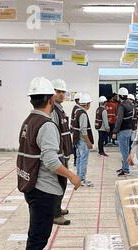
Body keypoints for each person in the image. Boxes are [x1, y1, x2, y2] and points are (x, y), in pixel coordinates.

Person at [17, 77, 81, 250]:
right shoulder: (46, 125)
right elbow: (51, 161)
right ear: (51, 99)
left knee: (40, 233)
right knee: (37, 235)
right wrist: (72, 175)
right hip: (43, 189)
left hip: (32, 185)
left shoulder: (29, 120)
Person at [51, 79, 72, 226]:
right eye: (58, 91)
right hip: (58, 154)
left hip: (63, 152)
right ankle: (55, 214)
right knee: (59, 183)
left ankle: (57, 208)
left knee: (62, 183)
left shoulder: (60, 109)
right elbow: (53, 133)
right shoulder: (53, 110)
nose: (61, 94)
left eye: (63, 92)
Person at [72, 93, 95, 187]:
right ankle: (82, 179)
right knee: (83, 160)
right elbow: (84, 131)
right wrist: (88, 142)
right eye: (89, 103)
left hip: (77, 140)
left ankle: (78, 178)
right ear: (86, 104)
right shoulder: (83, 114)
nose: (90, 105)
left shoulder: (76, 110)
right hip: (82, 141)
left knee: (79, 159)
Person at [114, 90, 134, 177]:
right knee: (126, 150)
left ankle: (126, 170)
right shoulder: (130, 104)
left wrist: (115, 131)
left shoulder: (121, 106)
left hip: (122, 131)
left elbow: (119, 120)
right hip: (129, 130)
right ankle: (124, 167)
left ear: (121, 96)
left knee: (124, 151)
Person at [71, 92, 82, 167]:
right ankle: (76, 160)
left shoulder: (76, 108)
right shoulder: (77, 109)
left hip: (75, 130)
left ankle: (76, 160)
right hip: (76, 131)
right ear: (78, 100)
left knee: (76, 146)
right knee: (76, 146)